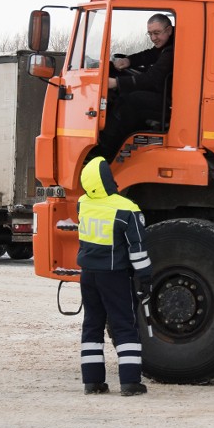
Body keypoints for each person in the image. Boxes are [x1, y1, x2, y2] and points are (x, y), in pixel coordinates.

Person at [77, 156, 153, 396]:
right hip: (114, 276)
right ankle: (130, 382)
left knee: (92, 325)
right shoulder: (126, 208)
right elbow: (137, 248)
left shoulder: (83, 203)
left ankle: (92, 381)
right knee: (124, 325)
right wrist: (145, 276)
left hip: (88, 275)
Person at [97, 13, 174, 161]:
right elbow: (151, 54)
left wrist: (117, 83)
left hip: (170, 102)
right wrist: (128, 61)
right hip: (166, 93)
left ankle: (107, 152)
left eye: (156, 33)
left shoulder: (172, 50)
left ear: (169, 30)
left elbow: (152, 78)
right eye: (150, 34)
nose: (153, 38)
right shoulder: (168, 44)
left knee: (128, 101)